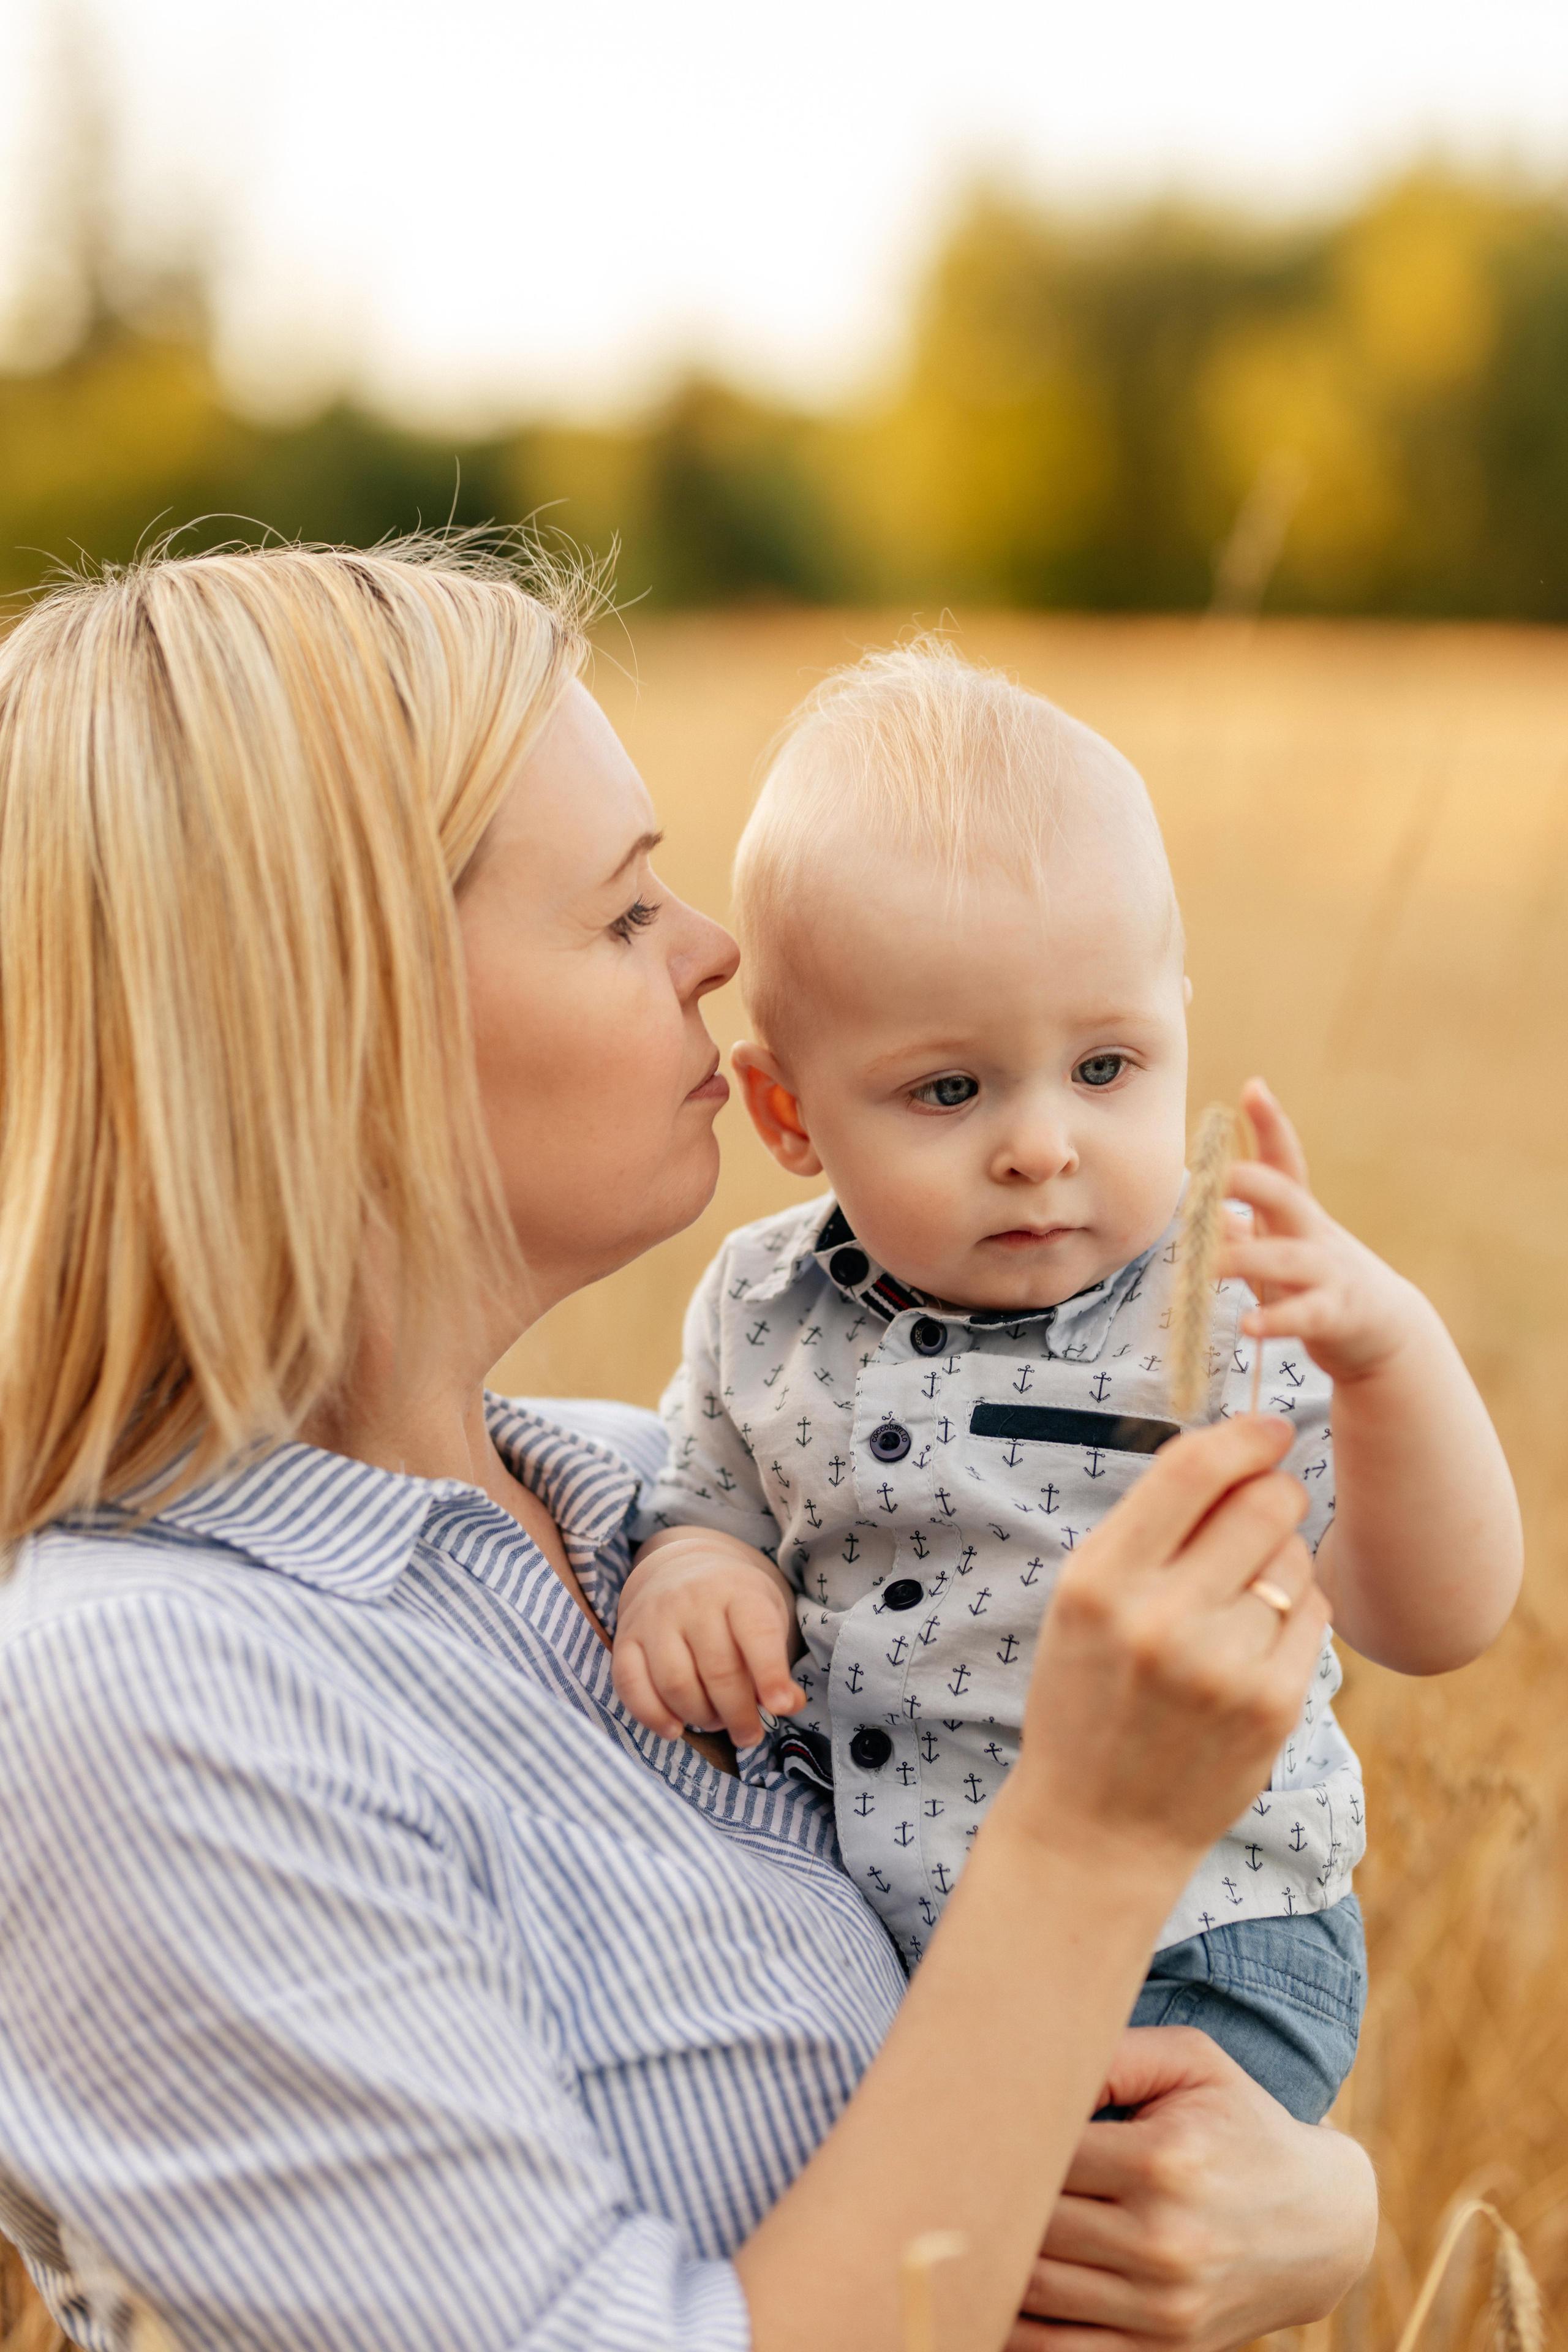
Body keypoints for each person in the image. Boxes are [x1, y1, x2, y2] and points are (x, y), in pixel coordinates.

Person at [0, 540, 1377, 2352]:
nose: (721, 952)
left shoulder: (650, 1490)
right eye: (630, 907)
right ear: (347, 1019)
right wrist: (1089, 1842)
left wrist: (1300, 2203)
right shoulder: (136, 1701)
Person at [614, 643, 1523, 2124]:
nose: (1041, 1145)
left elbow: (1438, 1619)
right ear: (787, 1109)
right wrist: (694, 1573)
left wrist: (1390, 1355)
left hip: (1196, 1941)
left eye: (1104, 1068)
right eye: (949, 1089)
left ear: (1177, 1020)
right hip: (885, 1951)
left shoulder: (1231, 1302)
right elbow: (705, 1500)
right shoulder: (760, 1306)